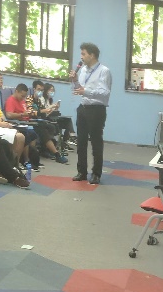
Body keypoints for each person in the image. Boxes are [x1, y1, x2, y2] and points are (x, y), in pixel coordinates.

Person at [70, 42, 111, 185]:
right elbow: (79, 89)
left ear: (92, 55)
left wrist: (86, 91)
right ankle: (81, 172)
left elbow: (105, 93)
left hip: (97, 110)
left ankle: (96, 174)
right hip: (83, 108)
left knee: (96, 142)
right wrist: (75, 81)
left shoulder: (104, 71)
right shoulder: (83, 70)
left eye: (83, 54)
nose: (81, 57)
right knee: (81, 142)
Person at [6, 83, 65, 163]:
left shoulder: (23, 100)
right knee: (39, 129)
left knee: (47, 126)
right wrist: (23, 114)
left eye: (24, 96)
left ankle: (42, 152)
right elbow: (9, 115)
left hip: (29, 120)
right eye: (22, 96)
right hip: (21, 122)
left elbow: (31, 112)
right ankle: (55, 154)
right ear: (16, 91)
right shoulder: (11, 100)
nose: (23, 98)